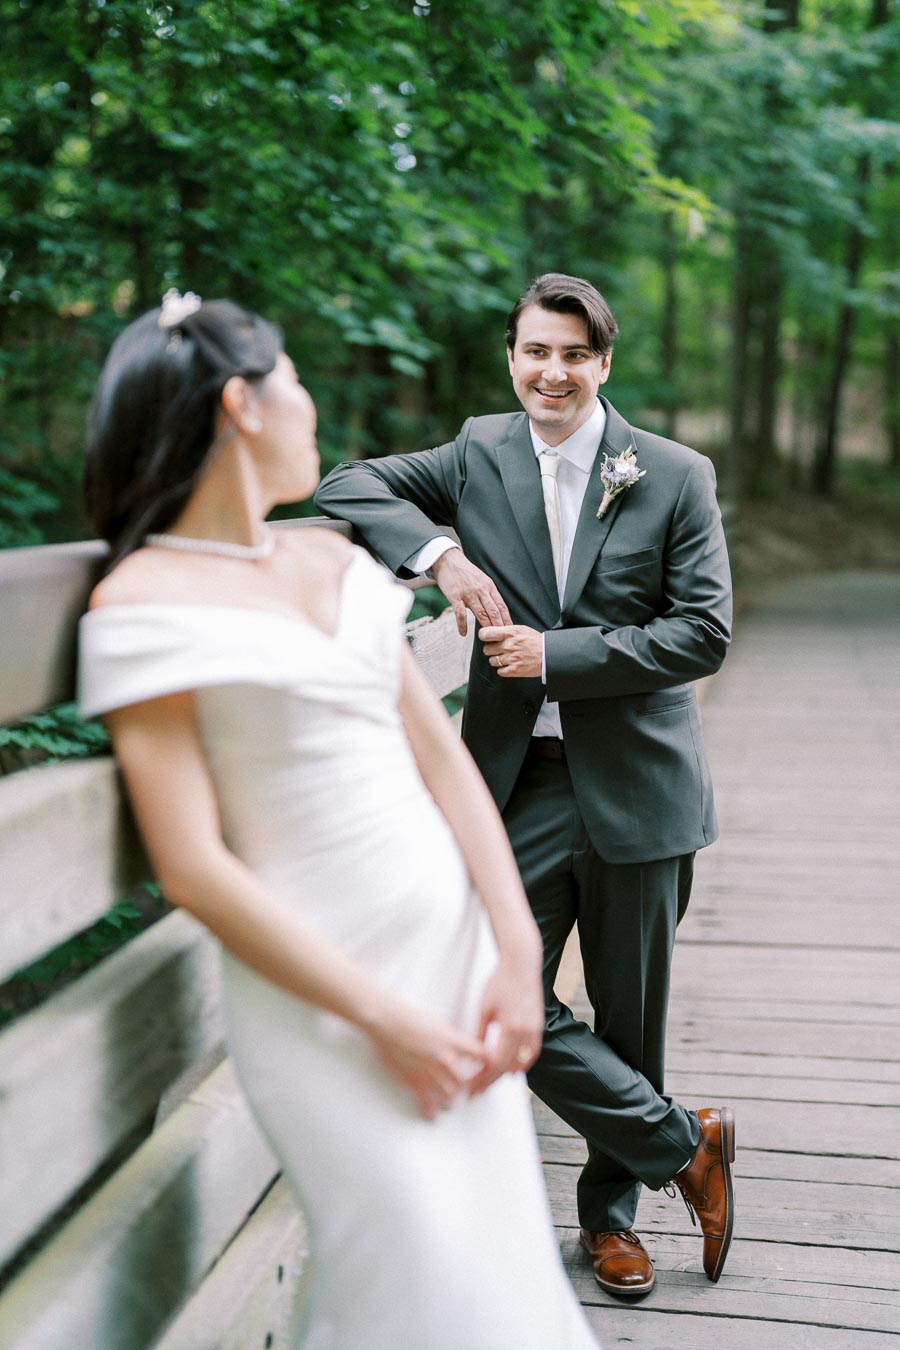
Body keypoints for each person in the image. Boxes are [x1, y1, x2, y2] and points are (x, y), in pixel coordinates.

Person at [78, 291, 600, 1349]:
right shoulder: (141, 600)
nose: (312, 403)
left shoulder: (332, 560)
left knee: (495, 1279)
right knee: (404, 1275)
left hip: (455, 964)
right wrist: (382, 1019)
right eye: (296, 380)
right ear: (244, 405)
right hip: (328, 1003)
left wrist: (512, 949)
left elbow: (447, 768)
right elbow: (192, 867)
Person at [315, 271, 736, 1298]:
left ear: (604, 364)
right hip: (520, 789)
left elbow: (704, 630)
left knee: (632, 1018)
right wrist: (440, 554)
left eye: (576, 354)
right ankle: (684, 1143)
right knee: (485, 985)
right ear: (512, 355)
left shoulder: (673, 473)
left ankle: (611, 1225)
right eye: (537, 351)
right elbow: (343, 486)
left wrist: (559, 657)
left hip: (641, 786)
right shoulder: (474, 452)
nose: (554, 371)